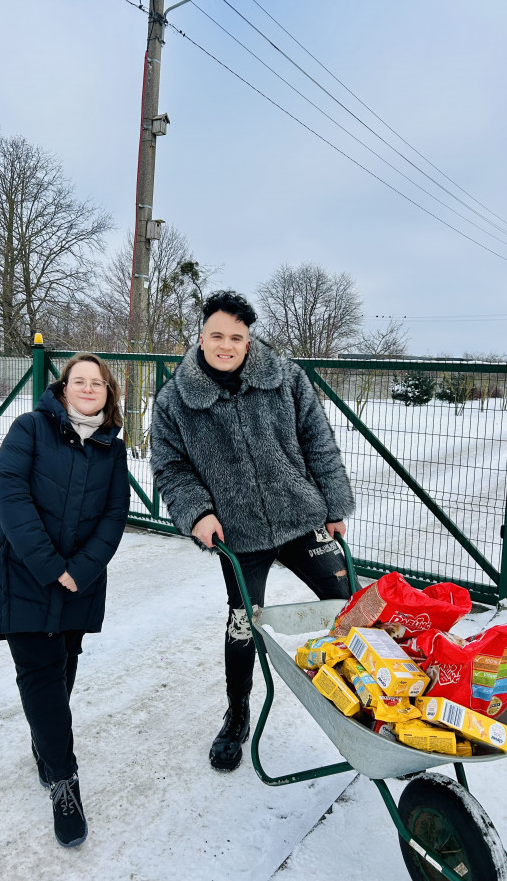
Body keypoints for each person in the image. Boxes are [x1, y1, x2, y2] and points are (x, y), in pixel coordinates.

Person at [150, 290, 354, 771]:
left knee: (352, 608)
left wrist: (334, 503)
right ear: (201, 336)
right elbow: (170, 467)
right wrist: (197, 513)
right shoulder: (175, 400)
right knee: (243, 622)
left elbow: (318, 442)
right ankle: (238, 713)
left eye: (236, 337)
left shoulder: (286, 380)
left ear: (248, 339)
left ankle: (377, 696)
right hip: (236, 534)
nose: (226, 345)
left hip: (301, 518)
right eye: (217, 335)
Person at [0, 352, 130, 847]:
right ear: (63, 389)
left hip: (79, 585)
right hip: (24, 575)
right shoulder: (30, 429)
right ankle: (65, 782)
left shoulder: (114, 449)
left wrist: (80, 571)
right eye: (78, 381)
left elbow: (114, 516)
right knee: (41, 675)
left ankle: (46, 742)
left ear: (108, 395)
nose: (88, 389)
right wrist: (52, 567)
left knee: (64, 665)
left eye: (98, 383)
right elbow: (10, 495)